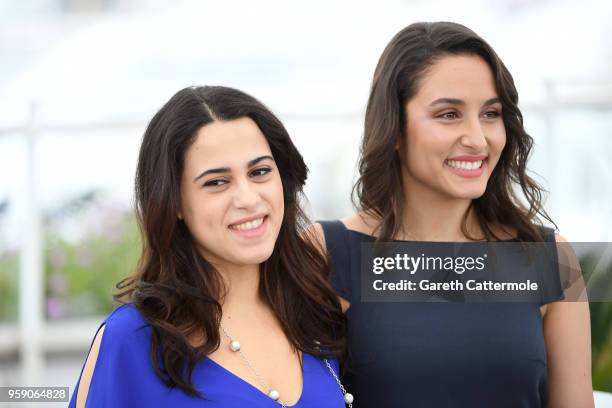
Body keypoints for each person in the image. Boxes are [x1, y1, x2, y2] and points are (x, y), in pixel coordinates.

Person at [313, 22, 593, 407]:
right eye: (449, 114)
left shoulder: (551, 258)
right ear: (393, 127)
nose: (478, 139)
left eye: (491, 113)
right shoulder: (325, 252)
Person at [69, 86, 352, 407]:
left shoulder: (316, 313)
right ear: (172, 201)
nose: (248, 198)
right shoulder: (133, 340)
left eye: (260, 172)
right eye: (217, 182)